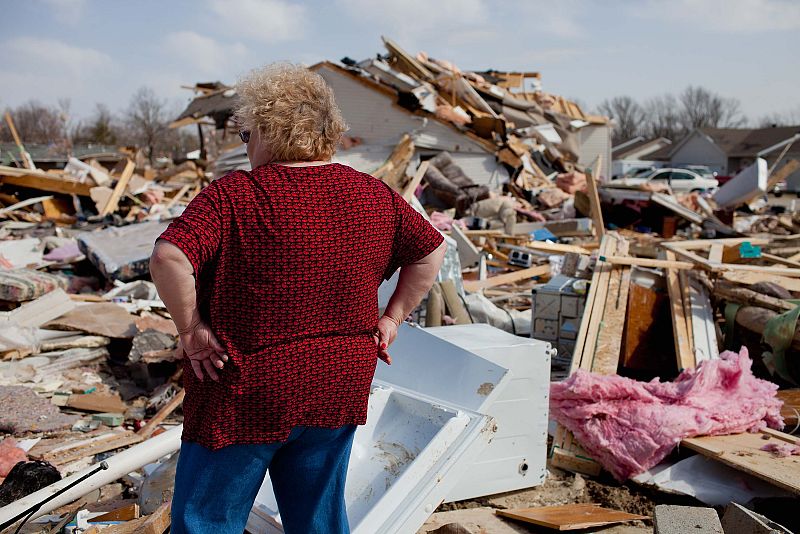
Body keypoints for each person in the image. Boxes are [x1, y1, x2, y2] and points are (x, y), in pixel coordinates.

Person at [149, 63, 446, 534]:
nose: (245, 146)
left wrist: (191, 331)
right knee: (318, 520)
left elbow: (169, 258)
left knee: (208, 520)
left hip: (245, 389)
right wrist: (392, 319)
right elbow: (431, 251)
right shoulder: (373, 194)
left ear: (270, 129)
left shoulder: (234, 196)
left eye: (246, 133)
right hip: (337, 382)